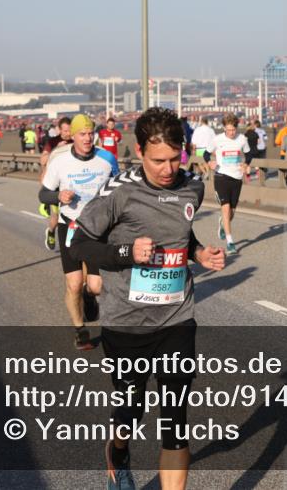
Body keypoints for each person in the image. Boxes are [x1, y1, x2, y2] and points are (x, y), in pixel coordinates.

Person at [68, 107, 225, 490]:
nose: (168, 169)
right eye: (158, 161)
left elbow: (179, 235)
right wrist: (124, 254)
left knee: (175, 417)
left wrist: (199, 253)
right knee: (131, 411)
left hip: (176, 317)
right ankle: (118, 452)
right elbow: (78, 245)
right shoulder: (119, 191)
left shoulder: (192, 186)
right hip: (126, 321)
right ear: (139, 151)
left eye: (175, 158)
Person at [38, 114, 120, 350]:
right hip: (70, 227)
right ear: (72, 135)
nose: (87, 138)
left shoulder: (107, 159)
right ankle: (80, 330)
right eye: (82, 134)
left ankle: (88, 295)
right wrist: (58, 196)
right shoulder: (60, 162)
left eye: (90, 133)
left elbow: (120, 190)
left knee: (95, 286)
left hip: (98, 230)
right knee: (73, 283)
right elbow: (43, 194)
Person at [211, 113, 250, 254]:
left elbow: (249, 154)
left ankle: (222, 223)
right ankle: (230, 242)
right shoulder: (217, 140)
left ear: (236, 128)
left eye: (233, 130)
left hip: (237, 178)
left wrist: (246, 164)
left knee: (231, 213)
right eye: (228, 130)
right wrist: (210, 161)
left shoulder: (242, 139)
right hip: (221, 177)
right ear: (224, 128)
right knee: (226, 208)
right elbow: (205, 153)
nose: (231, 133)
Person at [40, 117, 74, 250]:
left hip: (71, 182)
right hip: (55, 185)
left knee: (72, 214)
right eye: (65, 130)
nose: (67, 133)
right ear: (59, 130)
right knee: (57, 215)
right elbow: (42, 160)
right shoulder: (52, 141)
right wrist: (56, 150)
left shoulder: (75, 141)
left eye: (69, 130)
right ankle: (51, 231)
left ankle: (72, 243)